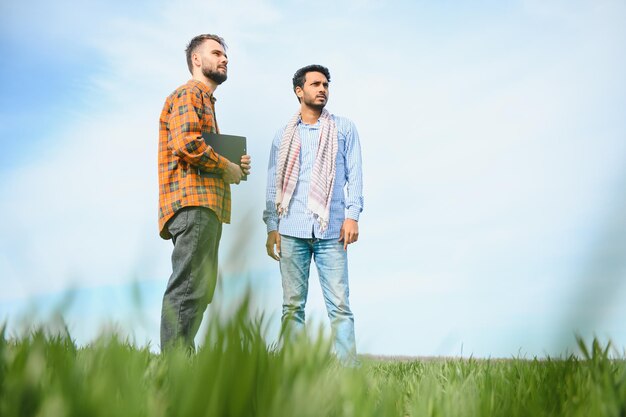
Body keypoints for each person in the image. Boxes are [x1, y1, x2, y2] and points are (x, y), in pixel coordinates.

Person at [263, 64, 364, 366]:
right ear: (299, 91)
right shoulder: (282, 136)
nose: (322, 89)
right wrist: (271, 226)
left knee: (340, 305)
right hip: (291, 228)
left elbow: (356, 176)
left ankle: (349, 371)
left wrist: (353, 215)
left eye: (326, 85)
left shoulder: (344, 128)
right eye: (316, 84)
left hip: (331, 229)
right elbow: (272, 185)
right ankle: (295, 370)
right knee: (292, 307)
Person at [158, 34, 251, 351]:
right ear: (197, 60)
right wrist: (227, 167)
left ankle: (182, 365)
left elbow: (200, 147)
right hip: (193, 206)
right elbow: (186, 144)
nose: (224, 59)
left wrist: (234, 164)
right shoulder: (189, 95)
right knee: (188, 288)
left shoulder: (204, 102)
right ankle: (175, 374)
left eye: (226, 55)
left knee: (200, 288)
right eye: (217, 53)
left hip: (205, 206)